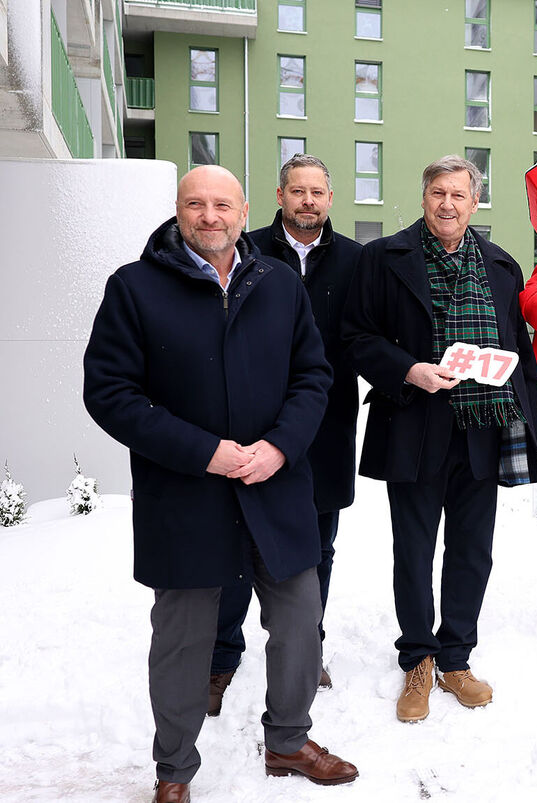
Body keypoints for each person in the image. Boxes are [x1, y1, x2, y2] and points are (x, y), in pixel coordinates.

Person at [83, 165, 358, 802]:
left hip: (274, 484)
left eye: (222, 205)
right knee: (183, 639)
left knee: (297, 619)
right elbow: (111, 393)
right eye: (195, 203)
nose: (210, 216)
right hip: (184, 492)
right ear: (179, 210)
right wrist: (204, 452)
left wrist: (280, 447)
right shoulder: (134, 288)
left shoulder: (280, 286)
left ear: (244, 210)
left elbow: (314, 377)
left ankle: (288, 740)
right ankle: (174, 771)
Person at [342, 155, 537, 723]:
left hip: (482, 430)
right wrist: (409, 370)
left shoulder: (503, 267)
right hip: (414, 424)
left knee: (471, 550)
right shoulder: (383, 259)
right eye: (438, 192)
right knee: (413, 549)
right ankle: (418, 660)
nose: (448, 204)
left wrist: (525, 424)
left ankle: (456, 656)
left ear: (475, 202)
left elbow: (521, 355)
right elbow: (355, 337)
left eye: (459, 194)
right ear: (424, 195)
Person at [207, 154, 363, 714]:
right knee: (235, 548)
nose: (308, 201)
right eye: (297, 191)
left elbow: (365, 337)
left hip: (325, 429)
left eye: (317, 192)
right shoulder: (244, 251)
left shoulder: (355, 261)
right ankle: (221, 658)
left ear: (330, 198)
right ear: (279, 195)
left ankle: (305, 646)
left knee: (317, 547)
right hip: (249, 428)